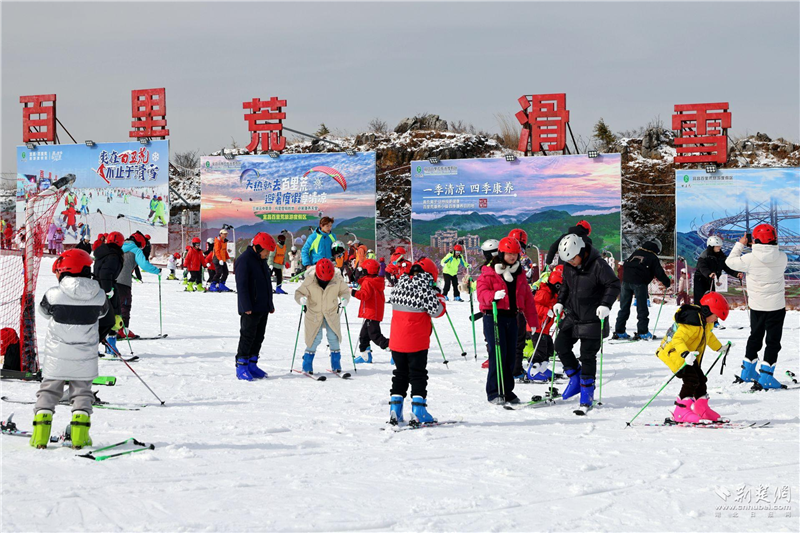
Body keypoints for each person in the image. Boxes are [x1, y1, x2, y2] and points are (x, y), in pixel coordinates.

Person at [30, 249, 109, 449]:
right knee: (82, 393)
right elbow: (103, 313)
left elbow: (44, 312)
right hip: (85, 358)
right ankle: (80, 438)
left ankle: (40, 436)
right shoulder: (99, 294)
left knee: (48, 392)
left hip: (57, 357)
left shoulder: (53, 294)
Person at [553, 234, 621, 414]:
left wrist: (605, 304)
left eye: (572, 258)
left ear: (581, 252)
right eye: (567, 260)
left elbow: (613, 284)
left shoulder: (599, 265)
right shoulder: (569, 266)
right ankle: (575, 378)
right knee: (560, 345)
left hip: (593, 318)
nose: (571, 263)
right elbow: (566, 286)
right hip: (573, 316)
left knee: (587, 355)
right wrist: (560, 301)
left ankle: (587, 390)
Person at [725, 225, 788, 389]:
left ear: (754, 239)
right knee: (773, 341)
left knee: (755, 337)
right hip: (776, 306)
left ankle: (748, 371)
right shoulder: (782, 257)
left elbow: (729, 262)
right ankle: (766, 376)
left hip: (757, 306)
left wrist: (740, 244)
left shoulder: (748, 259)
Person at [476, 237, 538, 404]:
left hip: (513, 317)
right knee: (498, 355)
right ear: (501, 253)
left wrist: (533, 322)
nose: (513, 257)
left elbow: (527, 299)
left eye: (515, 254)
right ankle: (494, 392)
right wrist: (492, 296)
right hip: (494, 317)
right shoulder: (489, 271)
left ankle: (507, 390)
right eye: (509, 253)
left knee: (511, 356)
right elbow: (481, 294)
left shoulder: (519, 273)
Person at [387, 258, 446, 424]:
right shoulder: (424, 289)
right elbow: (438, 311)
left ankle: (395, 409)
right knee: (418, 375)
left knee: (400, 374)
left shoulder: (399, 285)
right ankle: (419, 410)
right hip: (416, 343)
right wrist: (438, 295)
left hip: (397, 342)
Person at [656, 292, 730, 423]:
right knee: (691, 379)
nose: (716, 320)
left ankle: (702, 409)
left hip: (689, 355)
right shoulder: (691, 322)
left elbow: (709, 336)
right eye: (715, 316)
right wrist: (684, 354)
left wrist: (719, 348)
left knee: (701, 379)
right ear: (707, 311)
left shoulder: (705, 323)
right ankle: (680, 412)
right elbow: (677, 339)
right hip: (674, 353)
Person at [294, 258, 350, 375]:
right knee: (315, 338)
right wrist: (301, 299)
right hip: (314, 314)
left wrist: (344, 298)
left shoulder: (337, 279)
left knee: (334, 337)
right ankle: (307, 364)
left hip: (331, 313)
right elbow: (299, 293)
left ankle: (336, 364)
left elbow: (344, 291)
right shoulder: (309, 280)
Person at [234, 233, 276, 381]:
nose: (268, 254)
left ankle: (252, 364)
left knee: (259, 337)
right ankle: (241, 365)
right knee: (247, 336)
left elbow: (266, 284)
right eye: (267, 251)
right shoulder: (244, 260)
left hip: (262, 306)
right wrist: (246, 305)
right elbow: (242, 285)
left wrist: (269, 304)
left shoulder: (261, 260)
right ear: (258, 247)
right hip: (250, 307)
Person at [612, 238, 671, 340]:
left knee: (624, 307)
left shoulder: (637, 252)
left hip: (626, 282)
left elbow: (626, 264)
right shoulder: (652, 257)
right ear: (657, 248)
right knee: (642, 308)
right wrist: (667, 282)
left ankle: (619, 331)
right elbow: (659, 272)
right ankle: (643, 332)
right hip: (639, 283)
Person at [115, 232, 160, 339]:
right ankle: (123, 330)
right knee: (124, 306)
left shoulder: (118, 246)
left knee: (113, 306)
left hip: (109, 280)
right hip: (123, 282)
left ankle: (110, 329)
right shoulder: (135, 249)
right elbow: (144, 265)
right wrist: (157, 271)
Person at [527, 264, 564, 381]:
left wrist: (559, 314)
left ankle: (542, 369)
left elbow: (554, 308)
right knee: (540, 350)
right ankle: (532, 371)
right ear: (556, 284)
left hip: (545, 328)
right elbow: (534, 306)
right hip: (537, 327)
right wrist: (546, 310)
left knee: (548, 350)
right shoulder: (544, 292)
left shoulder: (553, 294)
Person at [92, 231, 125, 354]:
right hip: (106, 287)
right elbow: (106, 273)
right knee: (113, 317)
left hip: (98, 287)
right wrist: (107, 289)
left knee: (100, 317)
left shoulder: (103, 252)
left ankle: (97, 346)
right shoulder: (113, 255)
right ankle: (110, 347)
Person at [352, 258, 389, 363]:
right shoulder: (375, 281)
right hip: (372, 313)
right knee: (364, 336)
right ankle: (366, 356)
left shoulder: (368, 282)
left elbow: (365, 295)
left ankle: (394, 349)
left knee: (375, 335)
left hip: (371, 313)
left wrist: (354, 293)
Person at [693, 235, 741, 305]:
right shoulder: (704, 256)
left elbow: (726, 267)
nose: (719, 247)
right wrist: (709, 273)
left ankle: (709, 313)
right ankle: (699, 313)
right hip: (701, 280)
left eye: (720, 246)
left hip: (711, 279)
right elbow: (702, 267)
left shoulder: (720, 256)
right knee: (700, 299)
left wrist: (736, 274)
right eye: (717, 246)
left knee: (711, 299)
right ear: (712, 246)